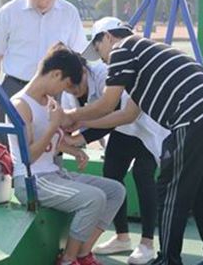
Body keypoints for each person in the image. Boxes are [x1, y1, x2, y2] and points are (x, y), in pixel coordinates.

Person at [64, 17, 203, 265]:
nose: (102, 59)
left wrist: (70, 116)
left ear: (108, 37)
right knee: (200, 191)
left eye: (98, 48)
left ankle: (168, 260)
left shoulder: (121, 49)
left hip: (194, 118)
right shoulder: (145, 56)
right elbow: (126, 115)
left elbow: (106, 104)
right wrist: (83, 125)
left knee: (169, 192)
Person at [8, 44, 125, 265]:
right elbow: (28, 157)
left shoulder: (49, 102)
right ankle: (68, 260)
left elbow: (52, 143)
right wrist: (53, 126)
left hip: (54, 173)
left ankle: (83, 253)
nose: (64, 90)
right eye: (65, 84)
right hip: (32, 180)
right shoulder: (20, 105)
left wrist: (73, 150)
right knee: (94, 198)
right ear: (56, 74)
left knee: (115, 191)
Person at [61, 57, 170, 264]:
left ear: (83, 71)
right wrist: (71, 140)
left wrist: (79, 138)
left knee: (143, 174)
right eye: (69, 88)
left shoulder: (104, 74)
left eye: (76, 86)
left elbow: (113, 114)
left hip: (146, 126)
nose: (73, 91)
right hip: (122, 129)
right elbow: (73, 123)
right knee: (112, 175)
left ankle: (147, 243)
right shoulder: (68, 91)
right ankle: (122, 237)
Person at [0, 0, 87, 146]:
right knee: (9, 149)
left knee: (52, 147)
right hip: (14, 88)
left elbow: (79, 57)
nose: (43, 2)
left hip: (53, 92)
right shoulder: (9, 12)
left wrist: (79, 101)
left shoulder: (69, 13)